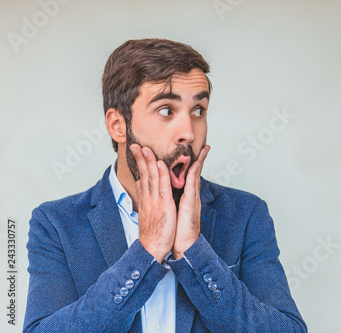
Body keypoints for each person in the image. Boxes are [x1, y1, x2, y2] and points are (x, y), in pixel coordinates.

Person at [23, 38, 307, 333]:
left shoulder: (246, 215)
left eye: (198, 110)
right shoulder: (55, 224)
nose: (188, 132)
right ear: (117, 125)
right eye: (166, 111)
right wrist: (145, 252)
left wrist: (195, 252)